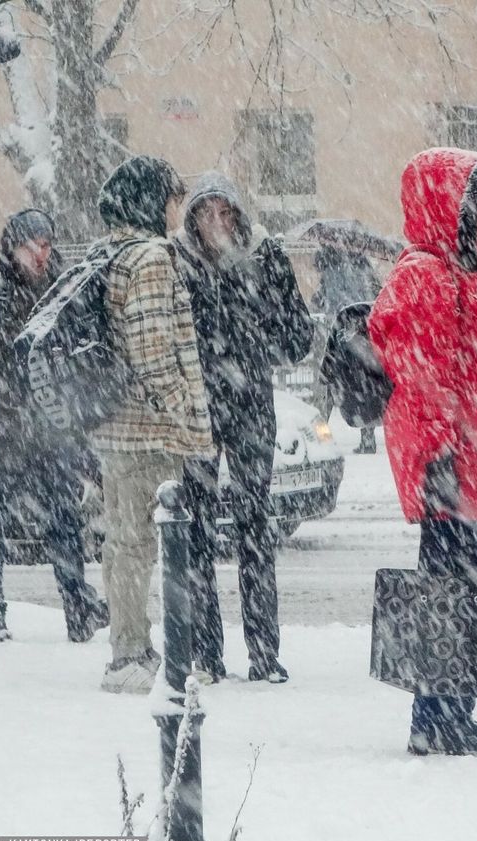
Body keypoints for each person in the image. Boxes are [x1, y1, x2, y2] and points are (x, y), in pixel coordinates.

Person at [369, 147, 477, 757]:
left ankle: (451, 714)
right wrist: (439, 466)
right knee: (448, 593)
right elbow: (425, 379)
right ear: (449, 205)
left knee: (466, 592)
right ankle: (436, 721)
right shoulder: (428, 277)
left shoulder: (464, 276)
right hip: (458, 471)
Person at [174, 171, 314, 684]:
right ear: (192, 221)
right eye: (205, 213)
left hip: (251, 403)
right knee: (197, 532)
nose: (216, 223)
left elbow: (297, 336)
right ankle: (206, 654)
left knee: (256, 528)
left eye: (225, 212)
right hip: (197, 408)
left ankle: (264, 653)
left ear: (238, 215)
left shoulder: (265, 256)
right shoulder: (178, 264)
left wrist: (254, 320)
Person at [0, 209, 108, 643]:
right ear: (12, 249)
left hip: (49, 435)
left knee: (64, 523)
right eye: (31, 245)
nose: (41, 253)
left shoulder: (61, 296)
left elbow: (80, 360)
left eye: (46, 244)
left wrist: (69, 414)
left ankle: (78, 610)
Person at [91, 156, 215, 694]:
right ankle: (132, 655)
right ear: (148, 200)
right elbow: (152, 345)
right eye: (169, 198)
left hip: (113, 426)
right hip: (146, 429)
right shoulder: (150, 257)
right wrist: (180, 406)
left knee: (121, 542)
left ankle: (127, 646)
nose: (174, 211)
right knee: (140, 543)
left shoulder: (109, 251)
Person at [312, 241, 381, 454]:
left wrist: (319, 299)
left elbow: (325, 301)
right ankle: (367, 438)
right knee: (364, 386)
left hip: (337, 330)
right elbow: (375, 293)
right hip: (363, 332)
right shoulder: (363, 266)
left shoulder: (331, 271)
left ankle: (319, 435)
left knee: (329, 383)